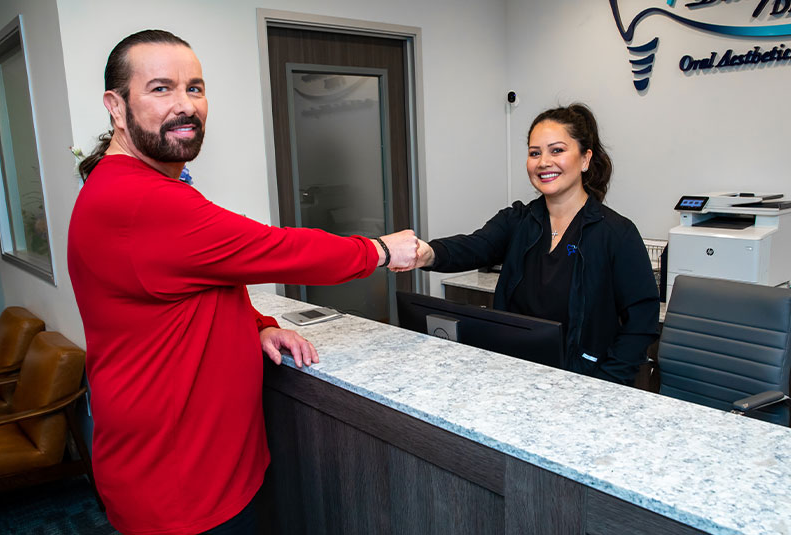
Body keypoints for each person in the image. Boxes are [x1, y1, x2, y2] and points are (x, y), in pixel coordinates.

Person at [67, 29, 418, 535]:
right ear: (115, 106)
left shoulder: (136, 186)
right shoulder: (139, 199)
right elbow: (273, 249)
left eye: (195, 88)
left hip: (203, 469)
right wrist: (380, 251)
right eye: (161, 89)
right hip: (182, 488)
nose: (186, 105)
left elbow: (205, 276)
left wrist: (257, 325)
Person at [413, 103, 659, 385]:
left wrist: (605, 383)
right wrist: (427, 253)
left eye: (557, 150)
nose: (543, 162)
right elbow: (474, 246)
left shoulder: (616, 233)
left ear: (585, 159)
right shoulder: (518, 220)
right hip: (513, 376)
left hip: (582, 384)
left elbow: (642, 320)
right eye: (534, 153)